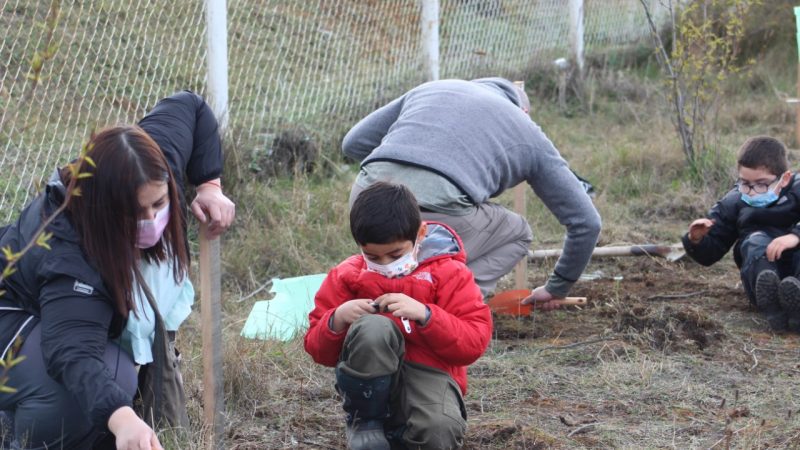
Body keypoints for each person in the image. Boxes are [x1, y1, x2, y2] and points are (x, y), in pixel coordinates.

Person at [0, 91, 235, 449]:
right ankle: (26, 435)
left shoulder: (149, 164)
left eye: (159, 204)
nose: (151, 219)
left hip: (55, 311)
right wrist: (122, 418)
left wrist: (209, 185)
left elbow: (191, 106)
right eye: (135, 212)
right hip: (11, 314)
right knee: (105, 379)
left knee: (113, 375)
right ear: (103, 208)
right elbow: (72, 351)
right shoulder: (71, 247)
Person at [342, 77, 601, 309]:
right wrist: (557, 287)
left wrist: (401, 176)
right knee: (518, 233)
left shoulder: (434, 88)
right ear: (524, 111)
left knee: (392, 261)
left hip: (366, 197)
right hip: (440, 215)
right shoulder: (526, 129)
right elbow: (586, 223)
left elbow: (353, 143)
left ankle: (380, 301)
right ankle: (453, 307)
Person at [304, 182, 492, 450]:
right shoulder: (347, 275)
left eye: (395, 254)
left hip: (431, 374)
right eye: (372, 256)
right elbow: (317, 349)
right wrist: (337, 319)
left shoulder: (450, 273)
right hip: (370, 373)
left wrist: (427, 316)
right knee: (373, 327)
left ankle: (401, 430)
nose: (384, 264)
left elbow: (473, 343)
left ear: (421, 234)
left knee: (438, 432)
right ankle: (365, 421)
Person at [683, 136, 800, 333]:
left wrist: (795, 235)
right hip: (762, 263)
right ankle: (771, 305)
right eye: (745, 183)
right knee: (754, 242)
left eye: (761, 184)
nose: (752, 192)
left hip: (795, 261)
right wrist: (696, 239)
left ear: (785, 178)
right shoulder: (734, 201)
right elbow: (710, 253)